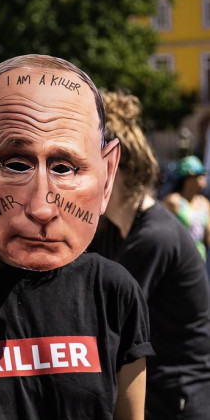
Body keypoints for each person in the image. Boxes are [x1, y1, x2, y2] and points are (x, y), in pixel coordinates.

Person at [0, 54, 151, 420]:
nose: (41, 207)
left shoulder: (113, 293)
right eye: (15, 164)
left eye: (64, 167)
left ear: (107, 173)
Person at [90, 92, 210, 417]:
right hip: (155, 392)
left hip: (178, 399)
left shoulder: (154, 237)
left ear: (112, 168)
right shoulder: (113, 231)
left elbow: (103, 324)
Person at [163, 156, 210, 261]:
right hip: (179, 262)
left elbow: (207, 236)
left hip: (200, 261)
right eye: (199, 175)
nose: (203, 177)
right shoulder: (173, 201)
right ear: (188, 179)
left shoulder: (204, 203)